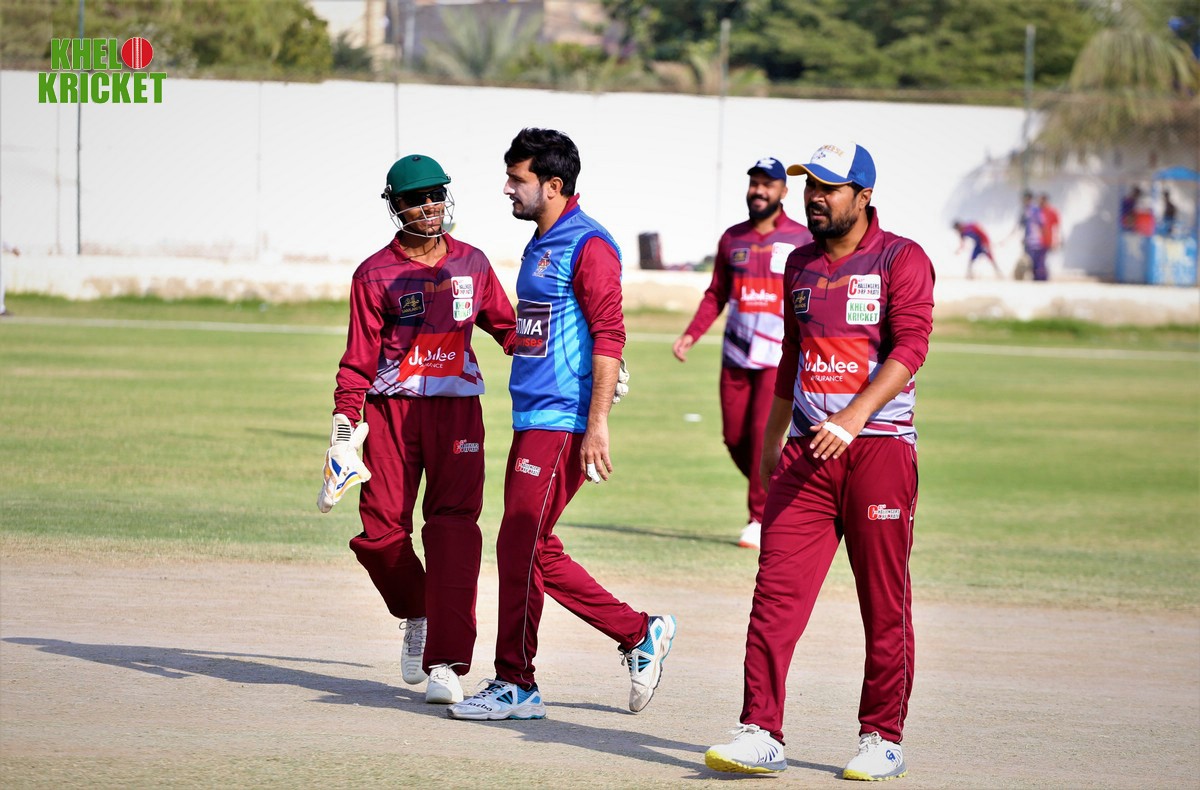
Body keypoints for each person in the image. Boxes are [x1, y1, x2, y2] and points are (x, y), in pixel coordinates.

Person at [704, 140, 934, 781]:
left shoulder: (901, 258)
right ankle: (760, 732)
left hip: (879, 450)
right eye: (810, 185)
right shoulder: (799, 263)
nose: (815, 197)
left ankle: (882, 738)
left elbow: (911, 347)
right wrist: (772, 442)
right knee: (774, 597)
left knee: (883, 603)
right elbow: (792, 355)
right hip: (805, 456)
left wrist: (852, 418)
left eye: (829, 187)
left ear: (864, 196)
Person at [448, 128, 676, 721]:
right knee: (534, 547)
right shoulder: (540, 241)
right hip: (531, 415)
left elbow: (610, 333)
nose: (507, 188)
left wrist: (597, 422)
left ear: (553, 185)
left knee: (518, 544)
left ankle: (516, 684)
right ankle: (638, 632)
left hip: (562, 420)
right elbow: (539, 328)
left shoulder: (589, 244)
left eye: (517, 179)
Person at [320, 153, 517, 706]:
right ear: (395, 206)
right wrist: (343, 428)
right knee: (379, 534)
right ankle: (417, 609)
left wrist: (582, 360)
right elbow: (358, 359)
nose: (429, 206)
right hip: (391, 412)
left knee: (454, 530)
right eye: (415, 198)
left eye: (435, 195)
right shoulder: (373, 273)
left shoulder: (472, 263)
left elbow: (509, 330)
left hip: (457, 412)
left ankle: (447, 663)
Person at [672, 157, 813, 550]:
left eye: (768, 184)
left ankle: (759, 517)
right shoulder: (732, 238)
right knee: (734, 437)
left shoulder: (802, 238)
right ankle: (778, 485)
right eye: (754, 183)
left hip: (777, 357)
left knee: (761, 434)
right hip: (735, 355)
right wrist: (691, 334)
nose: (759, 191)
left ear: (783, 191)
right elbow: (716, 293)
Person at [1018, 190, 1047, 281]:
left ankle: (1040, 279)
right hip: (1028, 241)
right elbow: (1022, 226)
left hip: (1036, 241)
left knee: (1037, 264)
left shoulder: (1035, 210)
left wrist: (1042, 238)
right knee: (1030, 263)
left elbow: (1042, 224)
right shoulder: (1025, 211)